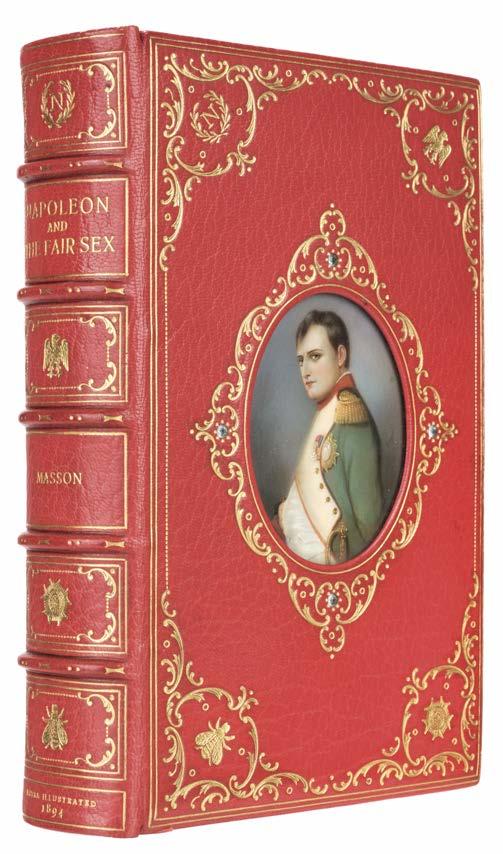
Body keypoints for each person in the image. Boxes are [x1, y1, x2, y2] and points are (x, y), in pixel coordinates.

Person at [273, 310, 383, 565]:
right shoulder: (328, 409)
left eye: (315, 357)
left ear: (340, 356)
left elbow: (369, 525)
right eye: (301, 360)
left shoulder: (350, 417)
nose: (305, 371)